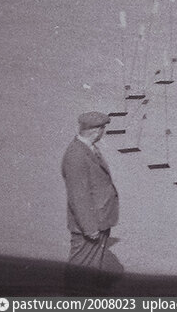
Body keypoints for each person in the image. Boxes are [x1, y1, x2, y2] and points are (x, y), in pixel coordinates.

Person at [61, 111, 121, 294]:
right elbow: (78, 195)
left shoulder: (88, 148)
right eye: (103, 129)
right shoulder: (76, 155)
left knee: (90, 269)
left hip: (99, 219)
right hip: (90, 224)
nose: (103, 132)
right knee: (81, 269)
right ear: (97, 130)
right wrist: (89, 227)